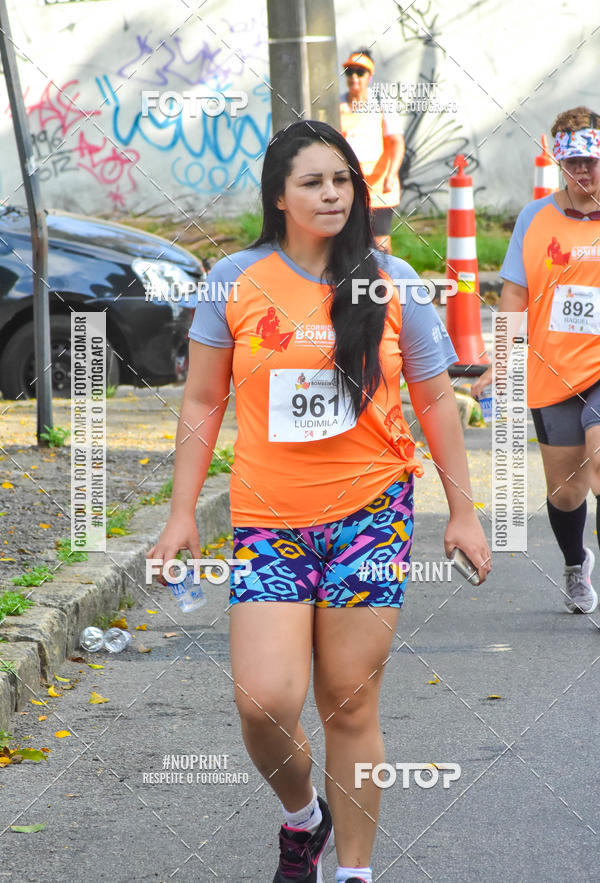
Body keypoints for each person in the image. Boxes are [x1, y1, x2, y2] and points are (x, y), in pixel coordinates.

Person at [147, 120, 490, 883]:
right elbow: (203, 399)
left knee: (348, 701)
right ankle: (304, 816)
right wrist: (180, 514)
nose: (333, 193)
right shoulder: (234, 278)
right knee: (265, 704)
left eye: (343, 180)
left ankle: (355, 872)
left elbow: (435, 401)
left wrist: (463, 511)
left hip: (371, 516)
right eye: (313, 182)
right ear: (279, 197)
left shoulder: (394, 280)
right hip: (269, 520)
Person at [472, 106, 600, 614]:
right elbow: (513, 297)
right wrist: (499, 363)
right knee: (566, 491)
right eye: (573, 163)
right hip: (552, 370)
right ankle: (575, 563)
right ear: (558, 166)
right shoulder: (534, 218)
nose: (583, 171)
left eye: (591, 160)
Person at [339, 49, 405, 254]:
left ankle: (384, 284)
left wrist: (392, 174)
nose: (354, 78)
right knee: (349, 245)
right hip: (349, 188)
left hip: (378, 188)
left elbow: (396, 142)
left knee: (380, 245)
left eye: (360, 72)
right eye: (350, 72)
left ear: (370, 77)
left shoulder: (382, 104)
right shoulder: (337, 106)